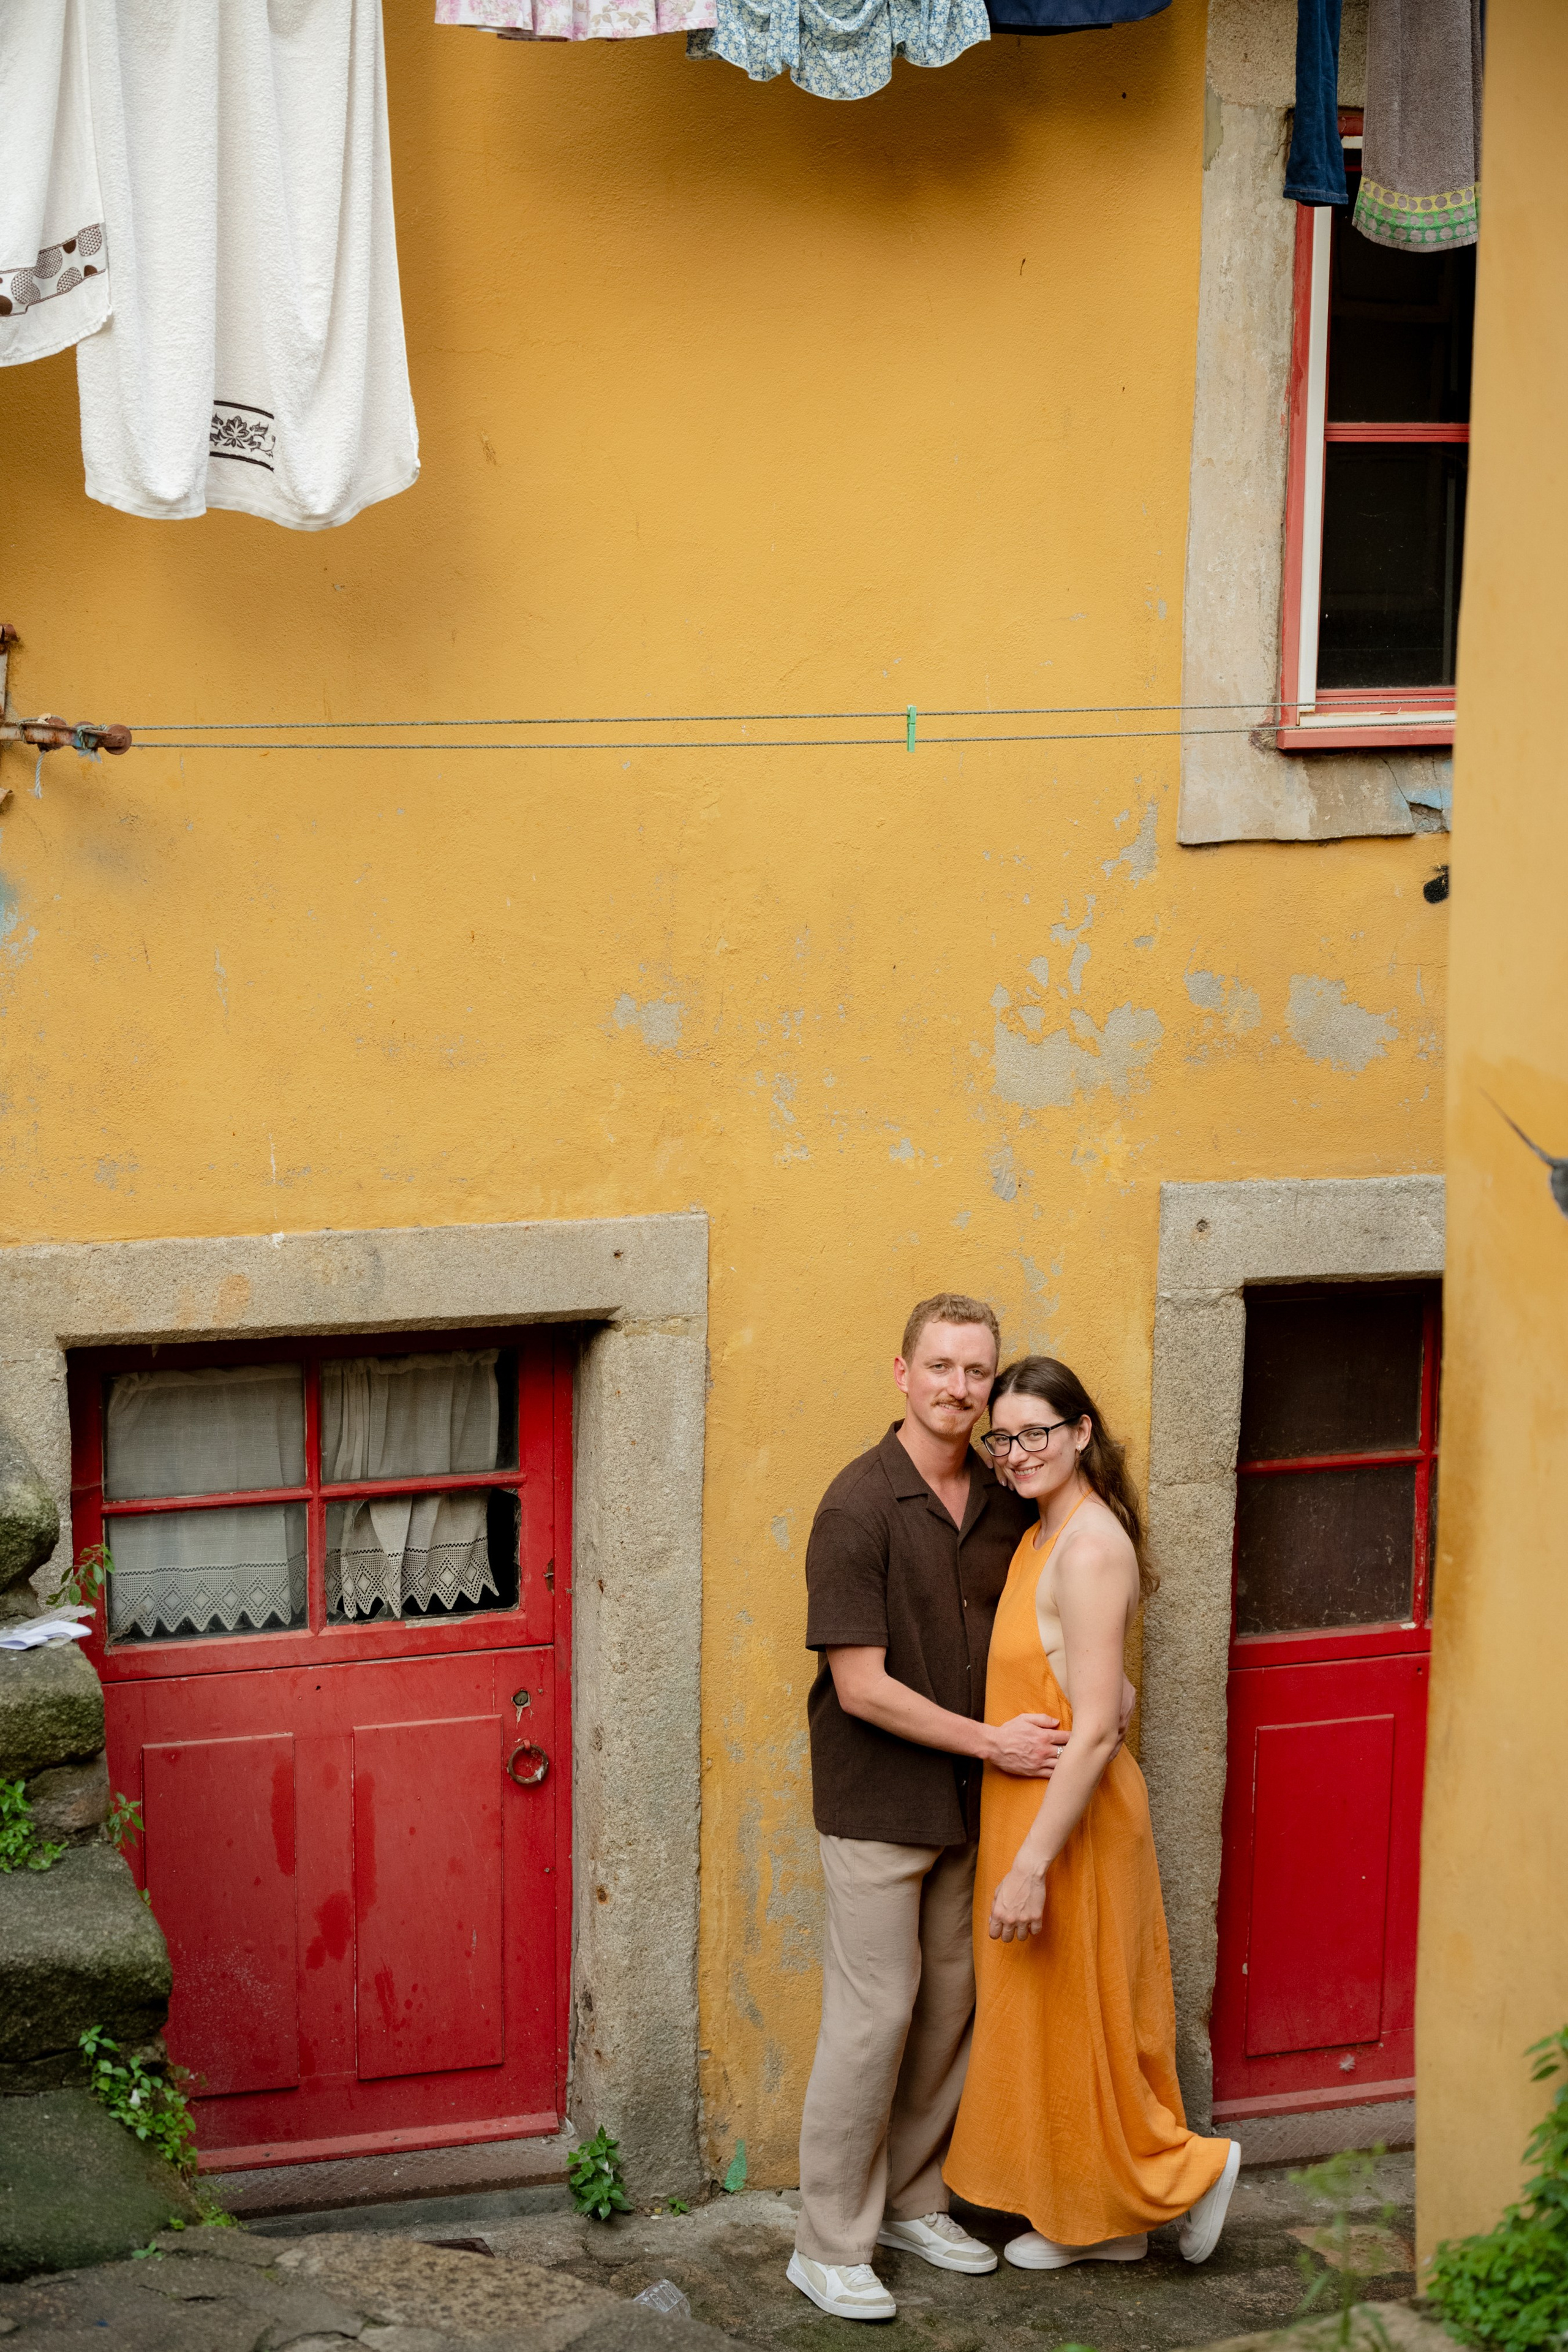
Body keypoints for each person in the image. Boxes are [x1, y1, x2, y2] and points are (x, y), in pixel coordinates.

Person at [786, 1296, 1135, 2322]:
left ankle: (911, 2201)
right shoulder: (855, 1506)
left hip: (978, 1809)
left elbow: (1058, 1619)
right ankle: (828, 2244)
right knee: (874, 2016)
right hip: (880, 1805)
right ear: (902, 1373)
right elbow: (860, 1684)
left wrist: (1106, 1692)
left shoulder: (1004, 1487)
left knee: (949, 2007)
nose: (959, 1389)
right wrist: (991, 1742)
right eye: (940, 1367)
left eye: (976, 1372)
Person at [943, 1354, 1241, 2271]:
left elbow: (1102, 1724)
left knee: (1092, 2021)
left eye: (1038, 1432)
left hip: (1070, 1824)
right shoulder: (1046, 1529)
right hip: (1038, 1807)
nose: (1017, 1451)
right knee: (1057, 2019)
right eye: (1004, 1437)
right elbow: (1093, 1685)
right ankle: (1101, 2222)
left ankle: (1190, 2171)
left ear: (1080, 1433)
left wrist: (1031, 1862)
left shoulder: (1088, 1544)